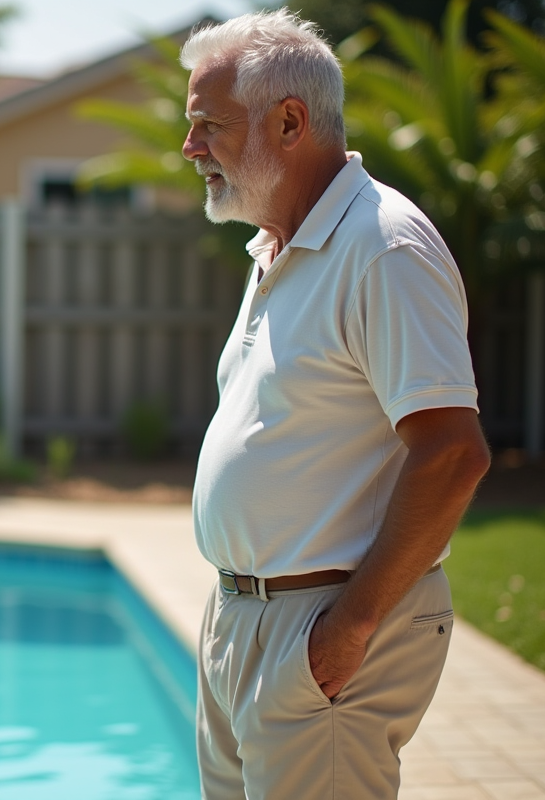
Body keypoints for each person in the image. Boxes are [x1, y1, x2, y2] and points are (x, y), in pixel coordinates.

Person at [180, 9, 491, 799]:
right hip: (247, 619)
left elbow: (453, 453)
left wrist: (346, 630)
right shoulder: (278, 248)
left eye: (208, 125)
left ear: (290, 121)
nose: (189, 149)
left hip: (320, 628)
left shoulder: (383, 247)